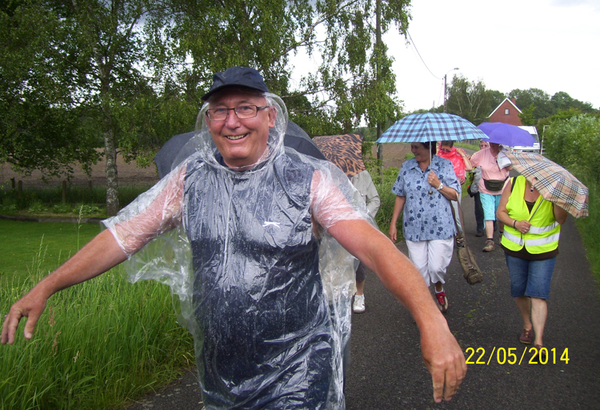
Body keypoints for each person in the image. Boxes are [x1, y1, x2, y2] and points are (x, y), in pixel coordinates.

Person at [2, 67, 466, 409]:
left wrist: (431, 321)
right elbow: (121, 237)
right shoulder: (189, 180)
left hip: (300, 370)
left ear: (268, 116)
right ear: (209, 121)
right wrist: (48, 285)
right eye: (220, 110)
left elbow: (375, 248)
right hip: (222, 375)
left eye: (245, 107)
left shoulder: (307, 180)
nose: (232, 121)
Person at [496, 175, 567, 348]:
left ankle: (538, 341)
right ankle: (527, 325)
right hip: (514, 248)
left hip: (543, 250)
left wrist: (555, 198)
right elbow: (500, 212)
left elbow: (561, 219)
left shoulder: (553, 189)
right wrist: (515, 223)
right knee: (519, 289)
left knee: (538, 293)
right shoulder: (514, 183)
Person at [389, 142, 461, 314]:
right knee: (419, 271)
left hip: (440, 226)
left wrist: (439, 184)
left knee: (436, 268)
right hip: (414, 227)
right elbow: (400, 195)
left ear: (429, 148)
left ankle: (438, 287)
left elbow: (456, 194)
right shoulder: (407, 167)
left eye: (417, 147)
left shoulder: (444, 165)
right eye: (412, 147)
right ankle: (425, 306)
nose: (413, 151)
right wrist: (393, 223)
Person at [470, 141, 510, 252]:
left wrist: (503, 160)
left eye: (496, 143)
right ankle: (490, 241)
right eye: (491, 143)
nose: (493, 145)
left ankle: (501, 234)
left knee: (500, 214)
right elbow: (471, 164)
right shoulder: (481, 154)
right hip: (485, 188)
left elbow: (510, 168)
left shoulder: (505, 153)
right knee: (488, 215)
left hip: (502, 188)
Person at [349, 169, 380, 313]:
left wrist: (364, 215)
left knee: (359, 263)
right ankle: (338, 296)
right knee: (337, 263)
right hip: (338, 226)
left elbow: (375, 200)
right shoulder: (331, 173)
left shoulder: (364, 175)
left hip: (359, 227)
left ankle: (359, 295)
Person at [437, 140, 472, 246]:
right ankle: (444, 235)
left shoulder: (457, 154)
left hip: (453, 185)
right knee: (440, 211)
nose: (444, 151)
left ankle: (459, 236)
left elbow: (469, 167)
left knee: (456, 212)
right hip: (439, 185)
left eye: (447, 149)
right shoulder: (437, 154)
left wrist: (463, 155)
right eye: (443, 148)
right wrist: (438, 149)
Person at [467, 140, 489, 237]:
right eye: (481, 145)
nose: (483, 147)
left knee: (489, 209)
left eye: (485, 145)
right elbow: (469, 166)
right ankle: (480, 228)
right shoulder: (477, 155)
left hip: (490, 187)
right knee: (479, 208)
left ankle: (491, 226)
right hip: (478, 186)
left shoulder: (493, 157)